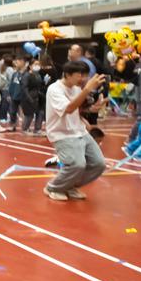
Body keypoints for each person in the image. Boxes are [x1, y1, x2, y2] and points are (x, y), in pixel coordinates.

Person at [43, 62, 108, 201]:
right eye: (80, 75)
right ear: (67, 74)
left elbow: (78, 109)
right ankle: (53, 187)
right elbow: (69, 108)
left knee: (98, 164)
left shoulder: (77, 89)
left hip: (80, 131)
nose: (83, 79)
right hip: (62, 134)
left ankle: (69, 186)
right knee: (76, 164)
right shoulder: (54, 89)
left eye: (85, 75)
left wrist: (92, 110)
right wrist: (87, 89)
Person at [20, 59, 47, 136]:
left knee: (40, 112)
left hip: (38, 97)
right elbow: (24, 88)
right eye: (35, 64)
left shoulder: (38, 75)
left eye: (38, 64)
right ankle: (25, 129)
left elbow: (39, 86)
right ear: (30, 66)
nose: (37, 66)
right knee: (29, 114)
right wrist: (29, 98)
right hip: (29, 97)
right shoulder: (26, 75)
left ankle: (37, 129)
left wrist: (44, 82)